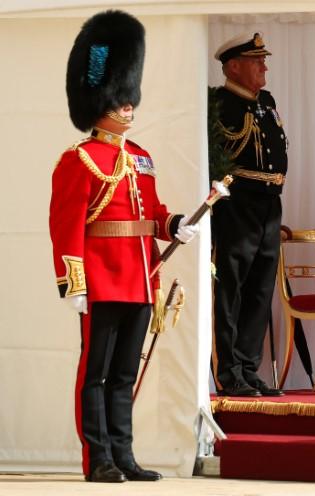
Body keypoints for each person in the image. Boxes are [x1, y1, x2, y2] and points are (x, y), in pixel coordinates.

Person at [50, 10, 199, 483]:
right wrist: (72, 282)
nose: (130, 106)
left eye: (130, 97)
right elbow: (65, 226)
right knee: (94, 374)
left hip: (140, 279)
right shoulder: (79, 160)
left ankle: (124, 454)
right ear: (102, 101)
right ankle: (98, 459)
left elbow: (151, 213)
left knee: (123, 376)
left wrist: (174, 224)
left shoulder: (140, 157)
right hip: (100, 278)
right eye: (121, 98)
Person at [210, 33, 286, 397]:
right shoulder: (219, 103)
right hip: (237, 205)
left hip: (270, 204)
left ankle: (249, 367)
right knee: (231, 288)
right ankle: (228, 372)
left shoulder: (266, 102)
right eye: (257, 61)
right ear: (234, 66)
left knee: (260, 289)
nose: (264, 66)